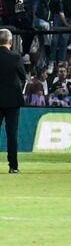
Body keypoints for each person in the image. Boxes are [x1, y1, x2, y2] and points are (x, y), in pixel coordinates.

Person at [0, 28, 27, 173]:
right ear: (10, 41)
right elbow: (23, 76)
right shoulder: (15, 56)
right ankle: (13, 167)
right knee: (12, 134)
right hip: (12, 100)